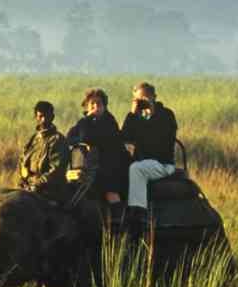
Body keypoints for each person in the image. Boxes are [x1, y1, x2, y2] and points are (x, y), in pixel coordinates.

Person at [119, 81, 179, 226]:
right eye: (139, 99)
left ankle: (138, 212)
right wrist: (132, 114)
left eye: (145, 98)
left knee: (136, 169)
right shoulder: (137, 117)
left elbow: (166, 136)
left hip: (162, 163)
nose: (142, 102)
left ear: (154, 97)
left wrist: (152, 113)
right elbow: (125, 137)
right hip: (144, 162)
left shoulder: (166, 114)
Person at [67, 87, 127, 220]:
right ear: (87, 107)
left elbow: (88, 137)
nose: (95, 107)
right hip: (92, 165)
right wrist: (83, 138)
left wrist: (85, 131)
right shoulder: (84, 122)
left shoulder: (109, 121)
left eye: (98, 104)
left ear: (104, 106)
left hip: (112, 165)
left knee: (110, 190)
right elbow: (70, 137)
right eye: (92, 104)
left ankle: (119, 222)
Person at [18, 100, 69, 202]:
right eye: (41, 116)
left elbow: (56, 170)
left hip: (50, 190)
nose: (44, 120)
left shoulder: (58, 140)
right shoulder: (33, 139)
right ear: (36, 117)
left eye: (47, 116)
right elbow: (22, 161)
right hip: (29, 186)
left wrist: (37, 184)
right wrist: (23, 179)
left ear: (52, 117)